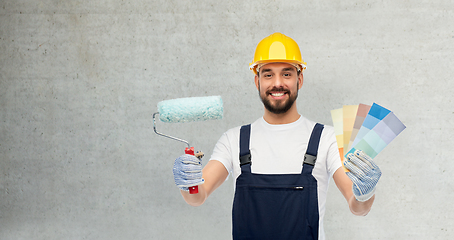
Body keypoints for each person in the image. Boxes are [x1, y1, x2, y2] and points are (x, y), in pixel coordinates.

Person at [172, 32, 382, 240]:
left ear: (300, 79)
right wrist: (187, 182)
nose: (277, 83)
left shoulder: (326, 139)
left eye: (287, 74)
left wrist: (365, 193)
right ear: (257, 82)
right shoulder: (234, 140)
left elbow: (357, 207)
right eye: (268, 74)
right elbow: (197, 196)